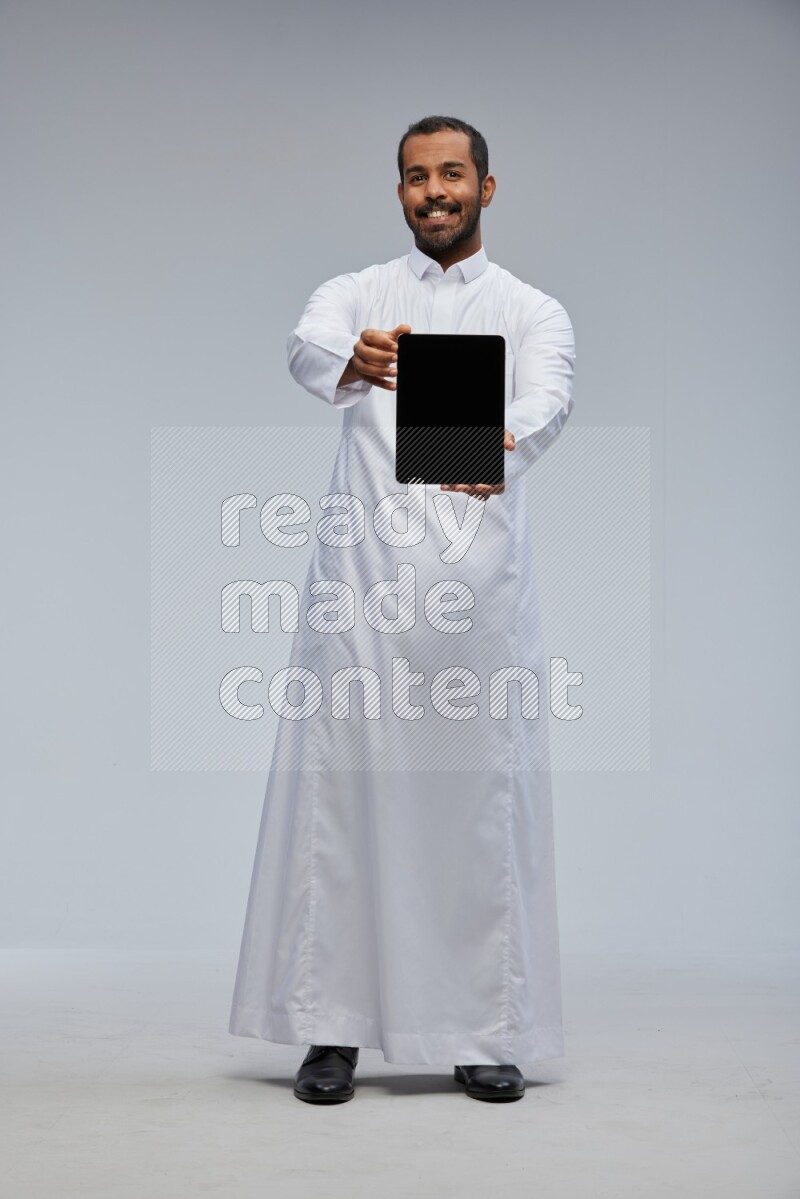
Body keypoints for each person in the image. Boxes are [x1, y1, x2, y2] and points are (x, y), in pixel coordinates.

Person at [229, 115, 576, 1104]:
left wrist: (499, 442)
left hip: (477, 596)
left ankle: (480, 1029)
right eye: (417, 177)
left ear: (486, 187)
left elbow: (548, 399)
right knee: (341, 805)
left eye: (452, 173)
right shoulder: (359, 292)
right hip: (362, 594)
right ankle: (329, 1028)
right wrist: (356, 359)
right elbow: (306, 344)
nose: (435, 191)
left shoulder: (530, 309)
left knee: (473, 810)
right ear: (399, 193)